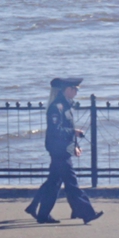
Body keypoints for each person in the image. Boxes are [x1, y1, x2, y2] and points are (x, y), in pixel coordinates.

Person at [26, 76, 103, 225]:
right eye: (74, 89)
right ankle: (87, 213)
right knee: (72, 184)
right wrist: (73, 133)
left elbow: (66, 129)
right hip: (58, 151)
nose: (76, 92)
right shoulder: (57, 107)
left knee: (54, 183)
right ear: (68, 90)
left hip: (63, 149)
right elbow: (56, 131)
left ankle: (41, 214)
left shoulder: (66, 105)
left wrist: (74, 145)